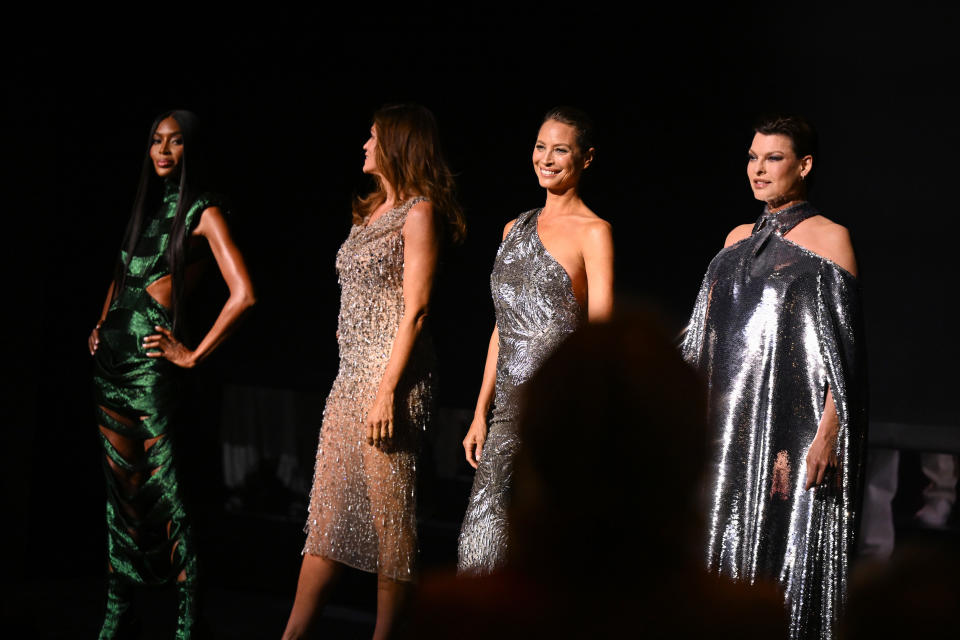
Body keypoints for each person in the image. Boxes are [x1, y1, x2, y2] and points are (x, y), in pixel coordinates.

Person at [281, 104, 465, 640]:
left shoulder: (419, 212)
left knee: (391, 524)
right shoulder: (368, 214)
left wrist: (387, 391)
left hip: (395, 381)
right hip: (348, 381)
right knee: (326, 521)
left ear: (398, 145)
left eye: (373, 137)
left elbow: (417, 308)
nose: (364, 145)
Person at [681, 114, 867, 640]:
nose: (757, 170)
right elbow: (701, 337)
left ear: (804, 165)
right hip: (728, 428)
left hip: (795, 429)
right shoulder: (736, 238)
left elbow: (846, 354)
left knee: (783, 546)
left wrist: (831, 431)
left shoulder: (831, 239)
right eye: (752, 157)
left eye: (773, 158)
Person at [90, 110, 256, 639]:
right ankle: (120, 611)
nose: (163, 151)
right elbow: (123, 276)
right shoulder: (144, 211)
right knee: (123, 493)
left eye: (176, 142)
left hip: (151, 370)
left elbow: (244, 294)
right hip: (110, 366)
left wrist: (192, 355)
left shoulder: (202, 212)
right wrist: (99, 324)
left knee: (168, 494)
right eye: (156, 142)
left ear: (193, 149)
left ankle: (188, 620)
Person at [457, 106, 615, 575]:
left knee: (539, 555)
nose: (546, 158)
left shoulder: (595, 232)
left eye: (560, 149)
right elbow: (503, 328)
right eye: (540, 146)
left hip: (558, 415)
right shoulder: (513, 228)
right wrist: (480, 411)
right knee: (479, 549)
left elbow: (602, 338)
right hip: (506, 417)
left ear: (586, 159)